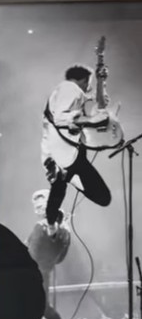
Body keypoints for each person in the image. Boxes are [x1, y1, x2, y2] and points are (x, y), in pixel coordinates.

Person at [41, 64, 113, 231]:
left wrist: (102, 81)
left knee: (58, 190)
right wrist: (92, 121)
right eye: (89, 82)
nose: (89, 87)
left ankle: (51, 224)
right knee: (103, 197)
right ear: (83, 80)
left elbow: (99, 102)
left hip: (64, 155)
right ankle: (71, 178)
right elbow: (60, 119)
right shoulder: (69, 88)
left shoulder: (69, 93)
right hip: (69, 156)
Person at [26, 189, 74, 319]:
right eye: (36, 207)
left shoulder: (45, 227)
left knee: (40, 307)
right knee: (40, 307)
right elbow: (60, 257)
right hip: (43, 271)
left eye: (41, 206)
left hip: (36, 272)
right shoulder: (63, 228)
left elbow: (32, 251)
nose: (38, 210)